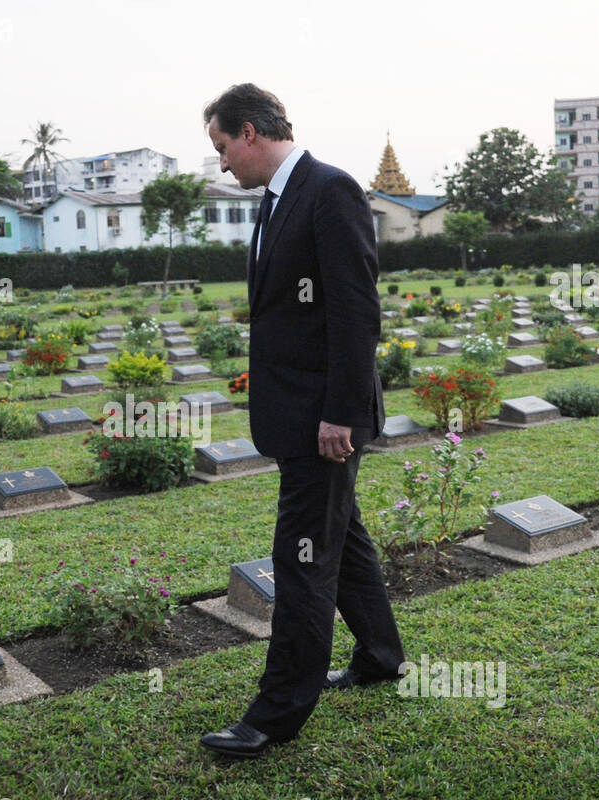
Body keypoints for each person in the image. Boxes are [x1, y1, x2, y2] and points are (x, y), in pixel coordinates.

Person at [199, 83, 406, 758]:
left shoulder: (329, 190)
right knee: (340, 539)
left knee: (301, 559)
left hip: (326, 421)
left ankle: (276, 713)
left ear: (252, 131)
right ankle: (379, 654)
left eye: (223, 147)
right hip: (298, 417)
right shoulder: (276, 201)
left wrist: (342, 413)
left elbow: (355, 310)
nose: (222, 163)